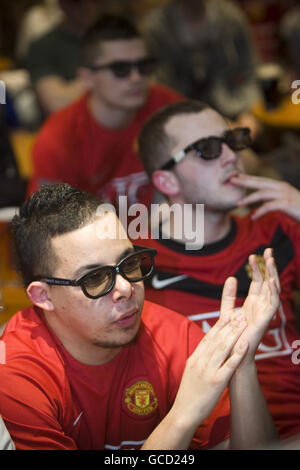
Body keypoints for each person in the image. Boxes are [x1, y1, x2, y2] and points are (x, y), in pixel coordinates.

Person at [0, 182, 279, 450]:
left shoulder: (175, 337)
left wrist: (243, 362)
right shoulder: (15, 373)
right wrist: (183, 415)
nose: (125, 288)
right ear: (43, 296)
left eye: (129, 262)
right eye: (95, 278)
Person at [137, 99, 300, 441]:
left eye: (233, 141)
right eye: (208, 149)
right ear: (166, 181)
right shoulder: (134, 267)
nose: (231, 156)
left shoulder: (276, 229)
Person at [27, 15, 183, 209]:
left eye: (144, 66)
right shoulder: (58, 139)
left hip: (162, 229)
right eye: (120, 69)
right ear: (87, 78)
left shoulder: (168, 108)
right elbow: (47, 225)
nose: (136, 78)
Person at [141, 0, 261, 121]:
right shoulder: (157, 28)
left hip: (234, 108)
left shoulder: (230, 17)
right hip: (183, 116)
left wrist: (249, 112)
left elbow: (250, 71)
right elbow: (161, 87)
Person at [25, 0, 101, 115]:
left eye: (94, 1)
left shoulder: (113, 38)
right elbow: (55, 103)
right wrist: (106, 72)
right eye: (79, 2)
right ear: (62, 4)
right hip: (71, 126)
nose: (88, 6)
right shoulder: (44, 46)